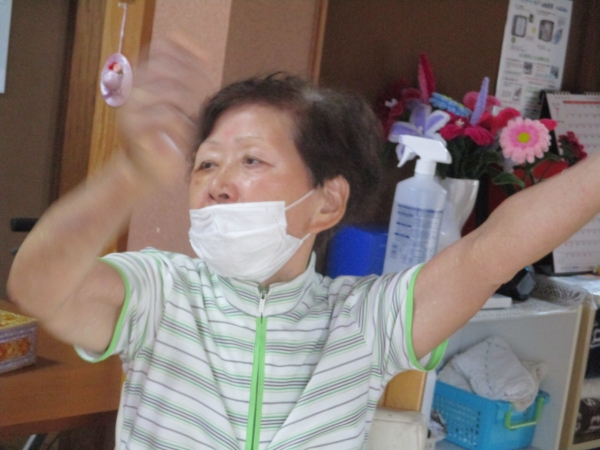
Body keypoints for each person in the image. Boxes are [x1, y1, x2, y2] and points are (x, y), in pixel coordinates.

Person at [7, 36, 600, 449]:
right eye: (206, 163)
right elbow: (37, 285)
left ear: (326, 202)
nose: (217, 182)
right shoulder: (159, 292)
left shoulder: (367, 320)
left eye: (251, 160)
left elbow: (494, 250)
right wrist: (130, 172)